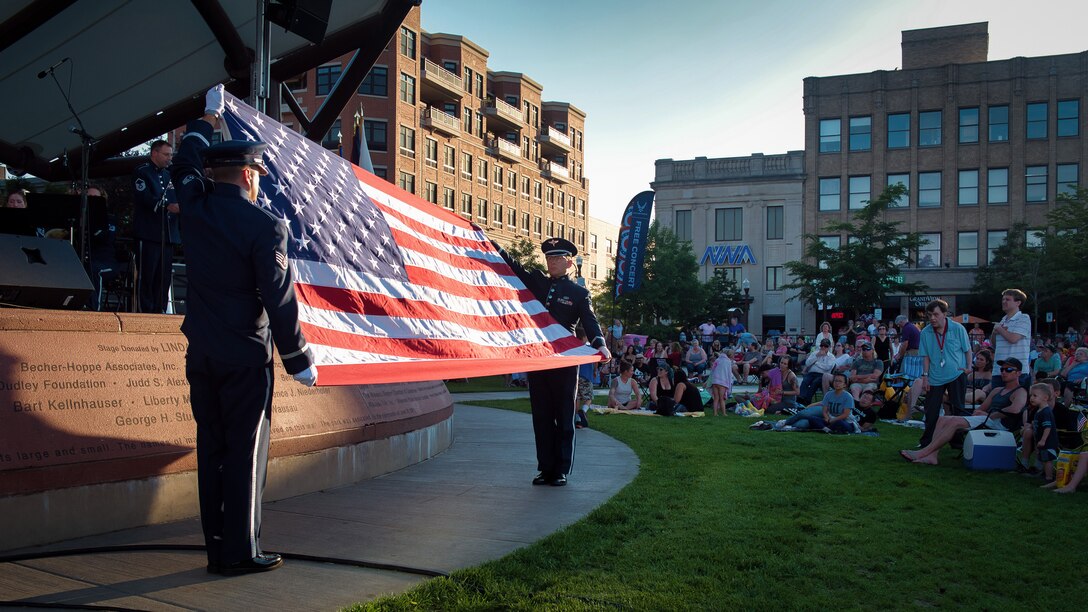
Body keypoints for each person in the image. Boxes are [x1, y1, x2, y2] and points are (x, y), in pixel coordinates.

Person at [173, 86, 317, 575]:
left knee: (212, 446)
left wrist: (205, 123)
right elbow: (278, 299)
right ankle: (241, 551)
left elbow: (184, 165)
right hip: (244, 358)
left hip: (203, 354)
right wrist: (298, 359)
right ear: (251, 176)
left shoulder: (195, 205)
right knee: (244, 455)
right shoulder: (265, 226)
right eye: (258, 174)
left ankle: (217, 547)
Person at [495, 235, 610, 487]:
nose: (552, 262)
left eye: (557, 258)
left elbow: (590, 322)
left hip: (565, 360)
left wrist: (600, 343)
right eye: (549, 257)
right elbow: (513, 266)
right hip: (539, 358)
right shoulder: (537, 282)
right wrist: (491, 244)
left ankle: (560, 469)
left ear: (569, 263)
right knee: (542, 416)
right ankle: (545, 468)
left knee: (564, 414)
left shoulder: (579, 292)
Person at [900, 357, 1027, 466]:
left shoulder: (1020, 391)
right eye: (1002, 369)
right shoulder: (997, 390)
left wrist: (991, 415)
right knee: (942, 418)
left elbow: (1015, 409)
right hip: (987, 420)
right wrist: (978, 412)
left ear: (1018, 373)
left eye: (1009, 370)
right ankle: (932, 455)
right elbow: (982, 407)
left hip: (1000, 424)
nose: (1004, 372)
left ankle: (924, 452)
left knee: (955, 421)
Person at [915, 300, 972, 448]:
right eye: (929, 315)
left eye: (936, 314)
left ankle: (957, 441)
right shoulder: (926, 332)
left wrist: (968, 367)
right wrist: (925, 376)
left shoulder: (957, 328)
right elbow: (925, 356)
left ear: (945, 314)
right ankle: (927, 441)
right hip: (935, 376)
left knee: (958, 408)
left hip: (956, 373)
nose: (932, 318)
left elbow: (967, 349)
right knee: (931, 410)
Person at [133, 138, 180, 313]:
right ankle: (144, 312)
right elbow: (143, 197)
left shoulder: (170, 175)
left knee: (163, 276)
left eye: (171, 155)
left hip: (168, 234)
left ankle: (159, 311)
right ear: (155, 153)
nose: (170, 158)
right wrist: (167, 206)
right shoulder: (142, 172)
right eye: (166, 154)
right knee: (147, 275)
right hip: (148, 232)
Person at [990, 288, 1031, 389]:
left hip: (1016, 372)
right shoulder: (1003, 320)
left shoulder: (1024, 318)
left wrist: (1000, 329)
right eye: (1003, 299)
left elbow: (1013, 339)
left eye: (1008, 299)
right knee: (997, 402)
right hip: (999, 371)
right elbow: (994, 345)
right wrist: (994, 333)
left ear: (1018, 303)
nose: (1004, 302)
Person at [1019, 382, 1059, 481]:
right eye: (1031, 395)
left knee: (1047, 460)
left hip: (1048, 442)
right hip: (1041, 441)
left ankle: (1048, 477)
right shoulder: (1039, 410)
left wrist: (1043, 440)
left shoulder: (1045, 412)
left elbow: (1048, 427)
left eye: (1035, 396)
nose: (1031, 398)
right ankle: (1041, 472)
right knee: (1043, 457)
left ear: (1045, 398)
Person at [799, 339, 836, 405]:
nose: (823, 348)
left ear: (829, 347)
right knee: (805, 381)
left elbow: (828, 367)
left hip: (822, 375)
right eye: (822, 346)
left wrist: (816, 363)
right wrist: (817, 356)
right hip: (812, 373)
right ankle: (801, 398)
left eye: (825, 346)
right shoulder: (815, 353)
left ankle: (807, 401)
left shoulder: (831, 357)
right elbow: (807, 363)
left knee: (815, 383)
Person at [707, 350, 735, 416]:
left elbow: (712, 370)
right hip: (722, 382)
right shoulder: (728, 362)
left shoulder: (717, 360)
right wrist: (730, 383)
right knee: (722, 398)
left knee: (716, 398)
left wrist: (709, 381)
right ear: (730, 355)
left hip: (715, 381)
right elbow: (729, 373)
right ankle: (724, 413)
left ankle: (715, 413)